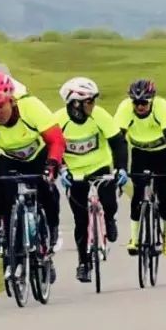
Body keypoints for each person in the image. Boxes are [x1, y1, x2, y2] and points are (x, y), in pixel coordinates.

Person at [0, 72, 66, 272]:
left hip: (38, 155)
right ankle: (1, 231)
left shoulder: (31, 107)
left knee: (47, 190)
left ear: (12, 100)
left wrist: (52, 164)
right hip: (9, 157)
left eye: (1, 106)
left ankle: (51, 229)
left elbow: (57, 140)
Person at [53, 77, 129, 283]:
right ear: (75, 104)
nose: (94, 105)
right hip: (75, 173)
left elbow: (118, 143)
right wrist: (62, 170)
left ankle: (110, 219)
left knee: (109, 200)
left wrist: (122, 168)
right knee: (81, 219)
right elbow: (51, 148)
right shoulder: (59, 120)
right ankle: (84, 263)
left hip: (100, 167)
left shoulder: (100, 115)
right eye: (90, 102)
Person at [113, 78, 166, 256]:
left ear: (151, 101)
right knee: (137, 195)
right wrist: (118, 167)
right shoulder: (125, 109)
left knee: (165, 197)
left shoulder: (162, 107)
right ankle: (134, 238)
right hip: (139, 153)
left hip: (162, 153)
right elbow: (118, 141)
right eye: (136, 102)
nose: (140, 106)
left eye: (144, 102)